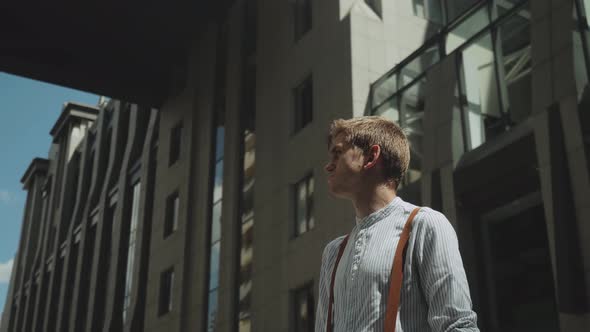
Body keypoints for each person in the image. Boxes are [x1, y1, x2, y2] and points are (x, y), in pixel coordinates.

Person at [315, 116, 479, 332]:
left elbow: (458, 325)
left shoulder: (424, 225)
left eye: (338, 153)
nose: (328, 166)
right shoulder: (333, 253)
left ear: (372, 156)